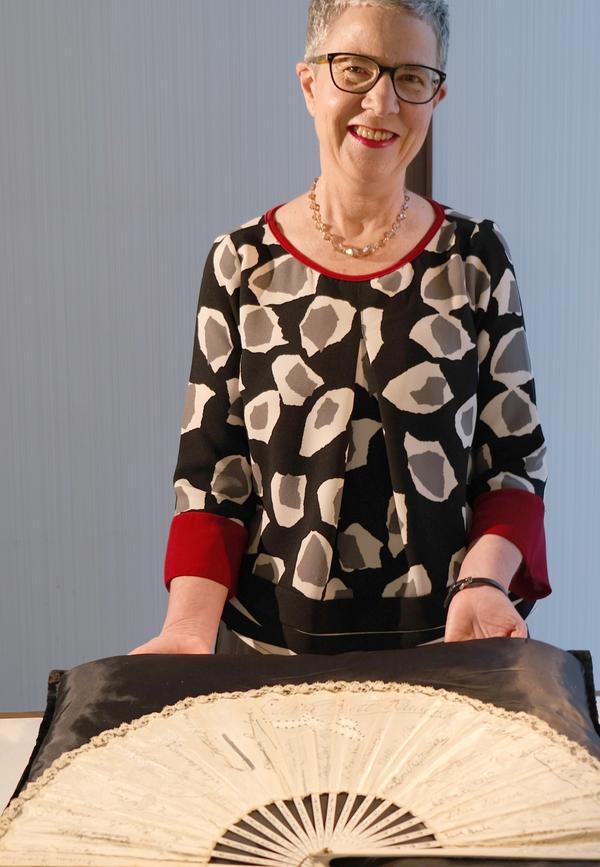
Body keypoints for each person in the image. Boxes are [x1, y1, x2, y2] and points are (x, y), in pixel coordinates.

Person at [130, 0, 549, 658]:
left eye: (411, 77)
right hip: (271, 653)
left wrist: (483, 582)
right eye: (354, 69)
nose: (381, 103)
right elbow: (213, 479)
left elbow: (513, 470)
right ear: (309, 83)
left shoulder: (474, 260)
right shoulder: (242, 264)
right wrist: (187, 630)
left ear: (436, 95)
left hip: (450, 644)